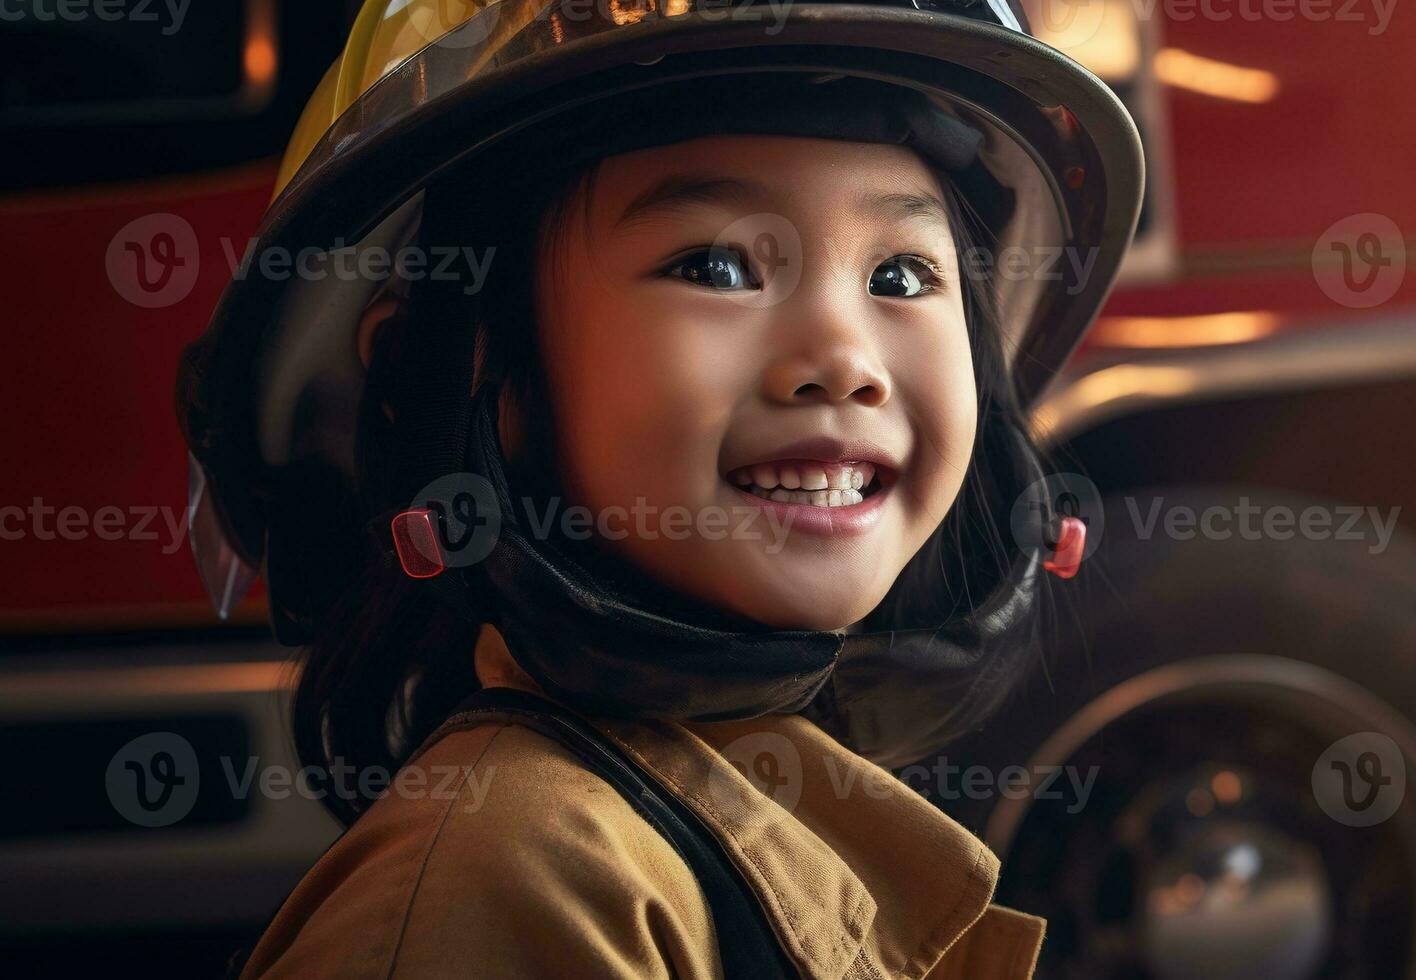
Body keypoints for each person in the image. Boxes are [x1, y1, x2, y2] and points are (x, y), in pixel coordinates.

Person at [174, 0, 1143, 975]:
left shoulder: (734, 816)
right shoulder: (517, 880)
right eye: (715, 266)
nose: (845, 360)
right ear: (474, 380)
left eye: (898, 276)